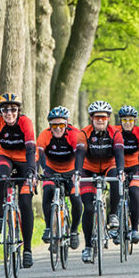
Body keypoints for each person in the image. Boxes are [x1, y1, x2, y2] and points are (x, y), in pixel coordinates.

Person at [0, 93, 36, 268]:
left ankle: (27, 250)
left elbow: (30, 149)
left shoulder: (25, 123)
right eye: (5, 110)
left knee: (26, 203)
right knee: (2, 177)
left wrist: (31, 171)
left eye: (13, 109)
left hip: (24, 160)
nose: (9, 113)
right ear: (0, 112)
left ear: (19, 110)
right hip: (4, 156)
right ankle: (0, 217)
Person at [75, 100, 125, 263]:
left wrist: (121, 170)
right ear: (91, 118)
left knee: (116, 178)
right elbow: (80, 153)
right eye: (97, 117)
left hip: (109, 166)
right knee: (88, 208)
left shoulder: (115, 133)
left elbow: (118, 153)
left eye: (103, 117)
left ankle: (112, 215)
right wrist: (76, 172)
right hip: (88, 168)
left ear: (108, 119)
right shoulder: (84, 133)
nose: (100, 120)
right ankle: (88, 247)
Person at [37, 106, 84, 250]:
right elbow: (39, 154)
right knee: (48, 191)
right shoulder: (45, 135)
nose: (58, 128)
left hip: (70, 170)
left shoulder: (74, 134)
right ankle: (48, 228)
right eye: (54, 125)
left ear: (67, 124)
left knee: (76, 199)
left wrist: (77, 172)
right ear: (49, 125)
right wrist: (43, 170)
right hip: (51, 169)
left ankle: (74, 231)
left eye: (61, 125)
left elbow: (80, 155)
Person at [113, 105, 139, 244]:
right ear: (120, 121)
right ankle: (114, 224)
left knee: (134, 192)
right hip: (117, 166)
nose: (127, 122)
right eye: (125, 120)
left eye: (130, 120)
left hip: (134, 167)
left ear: (135, 121)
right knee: (115, 191)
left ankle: (134, 229)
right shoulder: (115, 131)